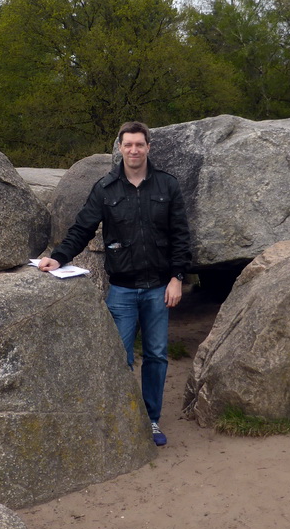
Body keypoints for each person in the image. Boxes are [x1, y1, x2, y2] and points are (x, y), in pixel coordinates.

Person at [38, 121, 191, 446]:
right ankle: (121, 418)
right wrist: (59, 257)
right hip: (121, 289)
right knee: (117, 356)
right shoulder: (106, 189)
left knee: (156, 356)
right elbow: (82, 228)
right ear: (120, 148)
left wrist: (178, 278)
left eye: (139, 144)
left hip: (158, 288)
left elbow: (180, 237)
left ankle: (150, 420)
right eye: (128, 145)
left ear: (148, 147)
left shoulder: (168, 186)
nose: (134, 150)